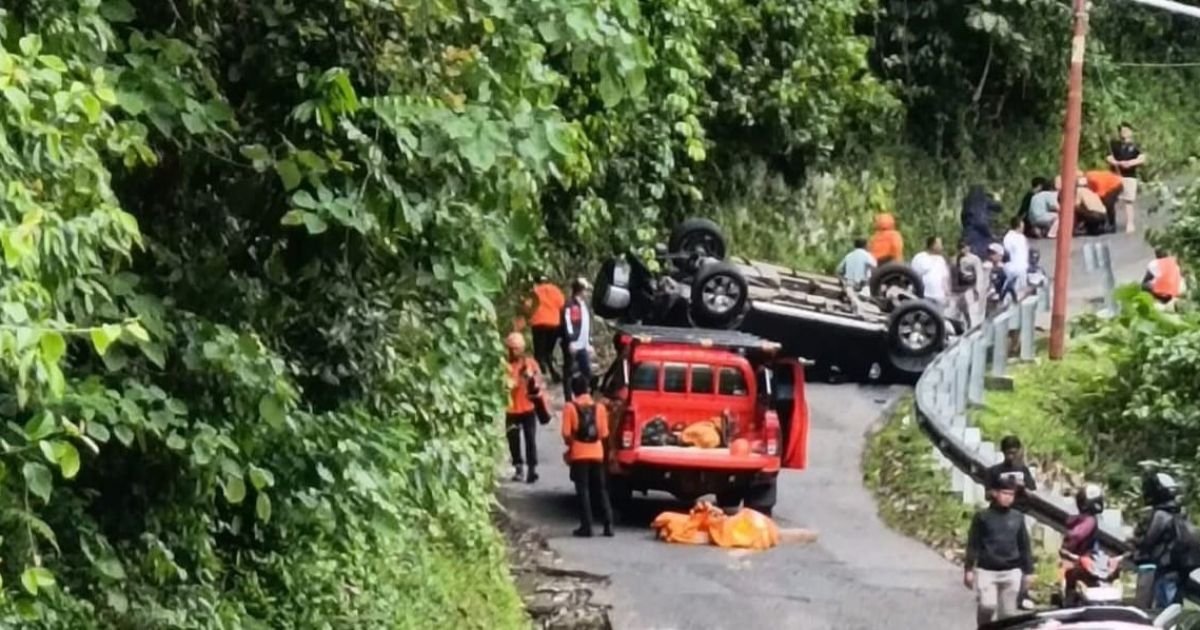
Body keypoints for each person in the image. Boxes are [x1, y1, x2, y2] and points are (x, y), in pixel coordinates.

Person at [965, 476, 1035, 626]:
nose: (1008, 498)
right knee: (987, 606)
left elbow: (1024, 545)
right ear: (995, 493)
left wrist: (1028, 571)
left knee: (1008, 614)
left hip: (1012, 570)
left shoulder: (1017, 517)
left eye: (1011, 494)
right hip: (987, 570)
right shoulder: (982, 517)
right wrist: (969, 569)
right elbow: (973, 544)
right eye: (1004, 493)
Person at [561, 373, 613, 538]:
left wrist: (571, 445)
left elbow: (566, 433)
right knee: (601, 489)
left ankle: (587, 526)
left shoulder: (570, 407)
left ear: (574, 390)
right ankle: (608, 524)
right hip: (597, 453)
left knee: (583, 490)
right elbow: (604, 433)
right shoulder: (600, 408)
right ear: (588, 389)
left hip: (579, 453)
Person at [1132, 471, 1183, 609]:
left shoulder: (1160, 515)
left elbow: (1149, 541)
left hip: (1164, 571)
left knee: (1163, 611)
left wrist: (1137, 550)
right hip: (1176, 571)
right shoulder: (1177, 513)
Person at [505, 332, 544, 484]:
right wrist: (514, 381)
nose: (514, 352)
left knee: (530, 439)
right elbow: (504, 385)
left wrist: (531, 378)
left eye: (517, 348)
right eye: (512, 349)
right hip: (512, 409)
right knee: (513, 440)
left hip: (528, 407)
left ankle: (532, 470)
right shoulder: (506, 366)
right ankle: (518, 467)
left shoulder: (530, 363)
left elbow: (540, 381)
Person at [1060, 484, 1106, 606]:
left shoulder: (1083, 519)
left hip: (1079, 561)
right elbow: (1076, 536)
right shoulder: (1089, 520)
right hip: (1083, 562)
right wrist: (1068, 546)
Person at [1106, 122, 1146, 234]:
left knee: (1129, 200)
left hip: (1130, 175)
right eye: (1122, 131)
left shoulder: (1136, 145)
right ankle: (1111, 223)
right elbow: (1109, 157)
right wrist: (1117, 163)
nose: (1123, 133)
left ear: (1131, 132)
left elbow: (1142, 158)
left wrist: (1130, 163)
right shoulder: (1114, 144)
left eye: (1126, 131)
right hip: (1115, 175)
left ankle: (1130, 223)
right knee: (1110, 200)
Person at [526, 274, 565, 383]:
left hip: (538, 324)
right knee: (548, 351)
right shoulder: (555, 290)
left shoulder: (533, 292)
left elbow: (527, 307)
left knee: (539, 353)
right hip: (553, 324)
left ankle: (538, 375)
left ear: (536, 282)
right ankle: (553, 373)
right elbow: (562, 304)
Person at [561, 277, 592, 401]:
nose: (587, 293)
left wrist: (589, 342)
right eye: (585, 290)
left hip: (583, 343)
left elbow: (586, 325)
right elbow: (568, 323)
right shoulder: (570, 305)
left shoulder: (583, 305)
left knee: (586, 370)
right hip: (574, 343)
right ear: (580, 290)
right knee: (569, 371)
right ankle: (568, 398)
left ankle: (584, 395)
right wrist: (570, 340)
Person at [911, 236, 952, 311]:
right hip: (924, 296)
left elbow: (945, 278)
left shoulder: (941, 260)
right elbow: (913, 275)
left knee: (938, 316)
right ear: (933, 245)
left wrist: (948, 294)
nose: (941, 246)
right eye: (939, 244)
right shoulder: (919, 257)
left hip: (939, 297)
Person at [955, 239, 989, 330]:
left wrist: (978, 288)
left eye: (965, 247)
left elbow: (979, 273)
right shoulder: (957, 259)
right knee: (963, 310)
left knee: (973, 309)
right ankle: (966, 326)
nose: (964, 249)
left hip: (972, 286)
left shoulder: (974, 259)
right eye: (961, 248)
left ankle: (974, 327)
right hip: (961, 288)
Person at [962, 185, 1003, 257]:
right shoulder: (983, 200)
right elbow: (999, 207)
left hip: (969, 231)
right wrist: (997, 198)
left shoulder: (966, 201)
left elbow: (962, 216)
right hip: (981, 232)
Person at [1085, 169, 1124, 233]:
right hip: (1109, 183)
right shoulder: (1088, 178)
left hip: (1116, 184)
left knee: (1108, 203)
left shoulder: (1095, 180)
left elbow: (1101, 194)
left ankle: (1112, 225)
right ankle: (1102, 223)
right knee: (1102, 203)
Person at [1002, 216, 1031, 300]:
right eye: (1022, 226)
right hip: (1013, 267)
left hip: (1023, 267)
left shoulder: (1022, 237)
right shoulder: (1008, 237)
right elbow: (1006, 252)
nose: (1023, 228)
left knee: (1022, 291)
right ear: (1018, 227)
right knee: (1014, 289)